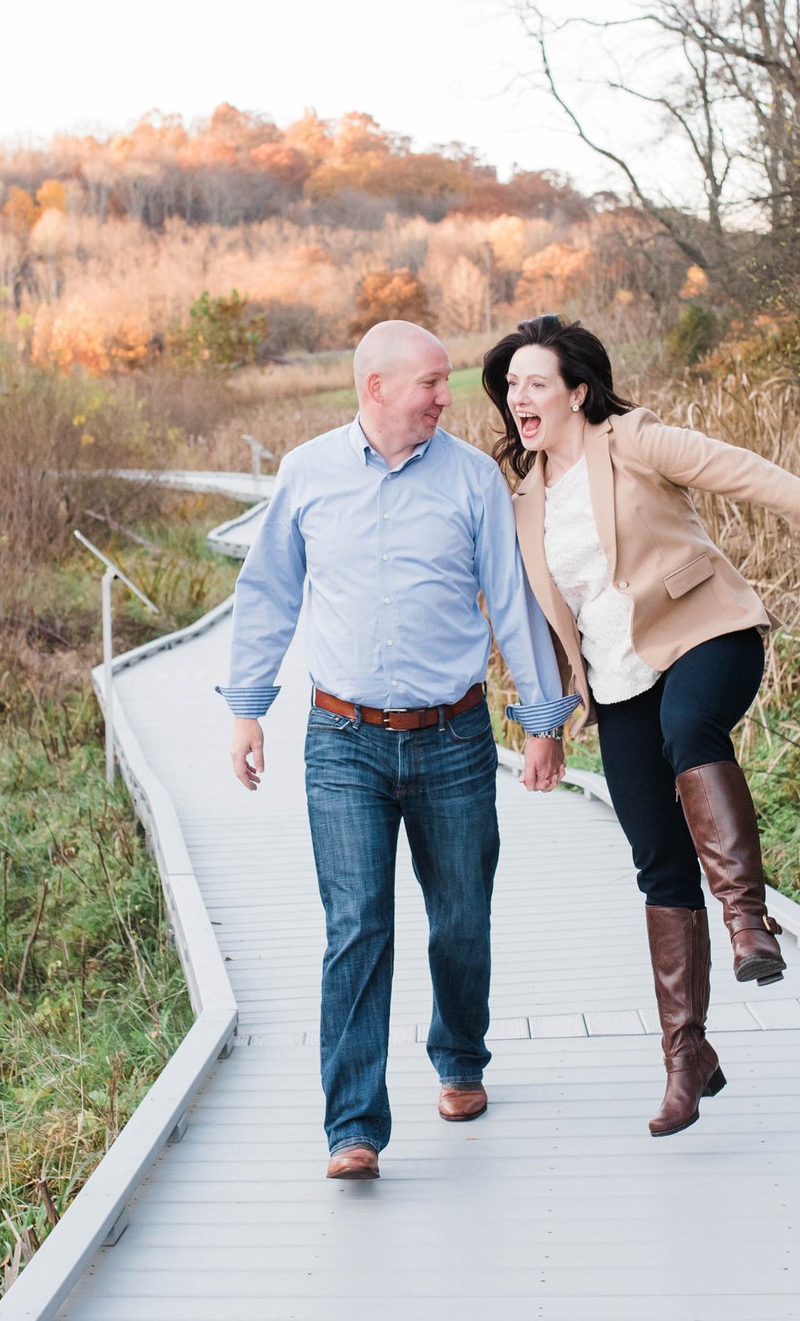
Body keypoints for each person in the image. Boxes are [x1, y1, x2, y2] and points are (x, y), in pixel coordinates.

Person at [484, 314, 800, 1138]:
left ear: (578, 392)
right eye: (510, 387)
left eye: (535, 382)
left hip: (707, 635)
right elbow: (531, 626)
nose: (519, 398)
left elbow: (751, 476)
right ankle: (689, 1057)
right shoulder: (524, 505)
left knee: (693, 731)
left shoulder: (635, 441)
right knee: (657, 862)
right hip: (616, 686)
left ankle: (749, 920)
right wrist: (548, 722)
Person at [221, 319, 579, 1181]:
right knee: (357, 926)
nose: (444, 396)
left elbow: (513, 599)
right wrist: (246, 707)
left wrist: (542, 720)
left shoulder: (472, 479)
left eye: (444, 382)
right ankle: (353, 1124)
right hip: (341, 740)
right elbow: (267, 590)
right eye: (429, 382)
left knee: (460, 915)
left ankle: (459, 1056)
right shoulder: (307, 472)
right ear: (374, 386)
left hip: (452, 736)